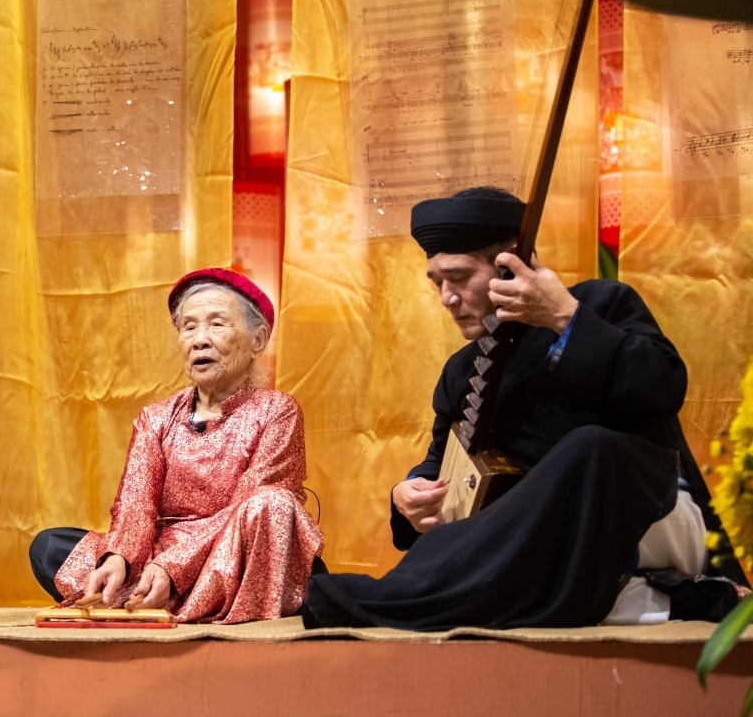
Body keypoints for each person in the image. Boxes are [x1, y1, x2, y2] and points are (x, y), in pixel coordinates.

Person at [302, 187, 744, 631]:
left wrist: (564, 317)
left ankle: (407, 601)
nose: (446, 298)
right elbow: (442, 465)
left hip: (642, 512)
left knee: (590, 449)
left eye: (458, 277)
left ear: (512, 265)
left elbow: (662, 388)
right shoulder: (461, 372)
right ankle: (658, 598)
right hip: (538, 544)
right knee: (477, 537)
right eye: (437, 282)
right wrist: (408, 494)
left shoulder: (599, 303)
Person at [29, 269, 324, 624]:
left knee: (272, 505)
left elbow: (253, 504)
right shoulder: (155, 417)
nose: (199, 340)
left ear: (257, 340)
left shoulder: (278, 411)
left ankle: (159, 599)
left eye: (217, 325)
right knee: (50, 546)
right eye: (189, 327)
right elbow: (135, 504)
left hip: (236, 551)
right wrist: (118, 559)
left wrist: (175, 567)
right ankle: (156, 597)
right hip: (159, 554)